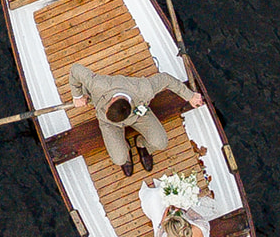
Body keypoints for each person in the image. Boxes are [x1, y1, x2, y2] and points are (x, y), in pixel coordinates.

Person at [68, 62, 204, 177]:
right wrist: (77, 96)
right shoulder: (98, 84)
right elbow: (75, 69)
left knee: (161, 143)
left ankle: (141, 144)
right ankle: (124, 150)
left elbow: (166, 79)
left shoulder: (143, 89)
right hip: (108, 122)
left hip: (137, 114)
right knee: (119, 158)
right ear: (113, 99)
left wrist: (189, 96)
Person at [139, 181, 213, 237]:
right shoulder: (200, 227)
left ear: (168, 234)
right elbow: (195, 215)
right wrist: (181, 206)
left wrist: (161, 224)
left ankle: (155, 193)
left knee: (155, 202)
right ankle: (162, 190)